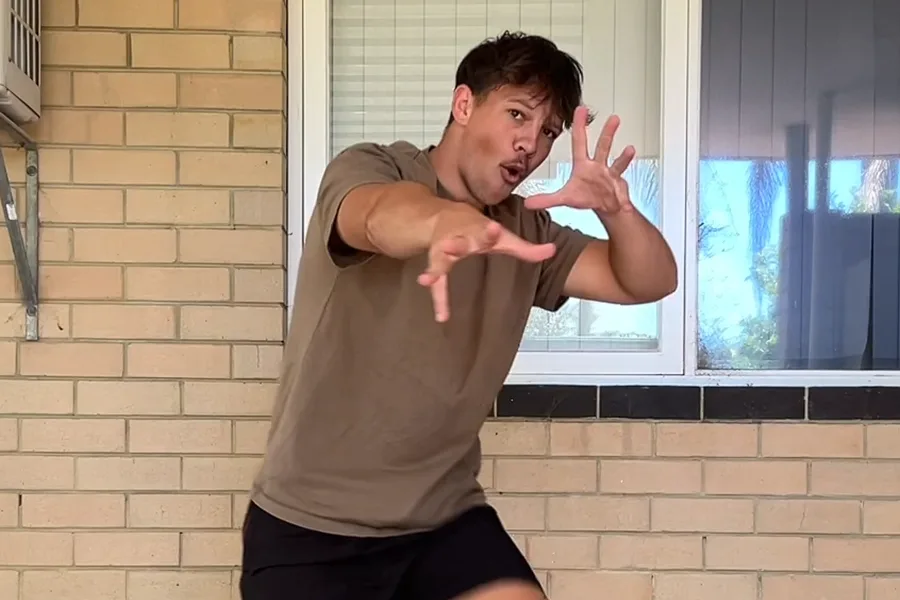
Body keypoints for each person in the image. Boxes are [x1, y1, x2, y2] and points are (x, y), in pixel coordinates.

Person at [240, 30, 677, 600]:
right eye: (517, 114)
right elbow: (371, 216)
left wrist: (617, 212)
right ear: (464, 104)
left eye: (547, 132)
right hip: (311, 523)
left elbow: (647, 279)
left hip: (442, 519)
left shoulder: (524, 231)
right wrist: (438, 222)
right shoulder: (377, 168)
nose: (531, 145)